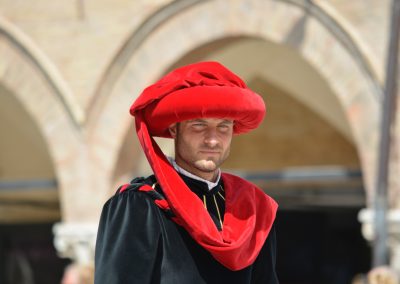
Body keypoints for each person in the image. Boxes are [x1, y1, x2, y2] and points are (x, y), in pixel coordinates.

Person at [94, 61, 279, 283]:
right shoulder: (140, 206)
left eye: (223, 126)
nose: (212, 139)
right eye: (199, 125)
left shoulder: (254, 210)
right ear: (174, 129)